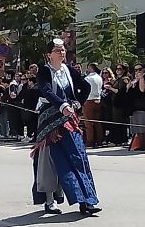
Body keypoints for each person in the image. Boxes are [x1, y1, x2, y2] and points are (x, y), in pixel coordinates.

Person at [32, 38, 100, 216]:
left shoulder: (69, 70)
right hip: (50, 122)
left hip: (69, 121)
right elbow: (47, 91)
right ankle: (49, 200)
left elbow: (85, 87)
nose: (61, 53)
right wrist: (62, 105)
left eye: (63, 50)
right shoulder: (44, 72)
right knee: (50, 163)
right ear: (49, 54)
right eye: (57, 50)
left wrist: (78, 103)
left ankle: (87, 201)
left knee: (78, 157)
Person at [82, 63, 104, 148]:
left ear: (90, 68)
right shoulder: (99, 78)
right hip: (98, 99)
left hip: (89, 100)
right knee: (98, 122)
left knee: (88, 122)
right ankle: (99, 140)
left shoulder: (88, 78)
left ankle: (90, 140)